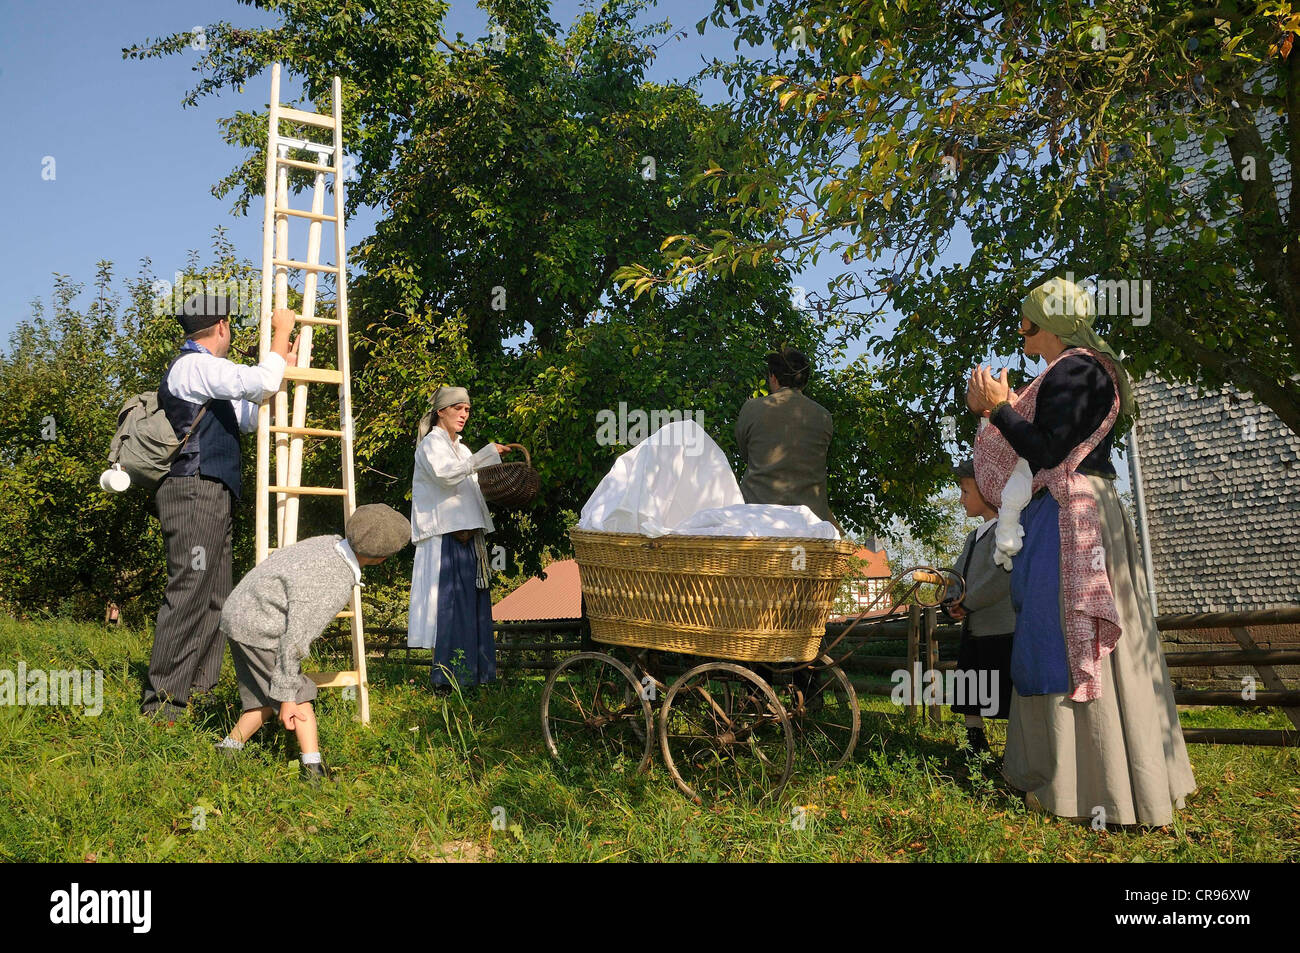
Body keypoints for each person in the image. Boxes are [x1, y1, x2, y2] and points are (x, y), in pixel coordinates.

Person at [965, 276, 1195, 827]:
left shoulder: (1078, 368)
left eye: (1026, 318)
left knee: (1066, 635)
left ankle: (1087, 786)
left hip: (1076, 514)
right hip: (1073, 509)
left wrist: (999, 409)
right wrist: (998, 411)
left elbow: (1046, 450)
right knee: (1057, 633)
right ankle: (1086, 778)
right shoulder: (1073, 370)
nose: (1019, 327)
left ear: (1048, 322)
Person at [141, 293, 298, 723]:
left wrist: (279, 361)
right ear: (223, 326)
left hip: (211, 492)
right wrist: (279, 335)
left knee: (217, 596)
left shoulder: (207, 374)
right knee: (191, 589)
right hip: (193, 490)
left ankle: (197, 690)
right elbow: (260, 383)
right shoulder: (195, 365)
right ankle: (163, 704)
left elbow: (249, 415)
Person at [215, 504, 411, 781]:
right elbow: (296, 639)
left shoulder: (326, 543)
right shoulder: (334, 581)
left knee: (264, 696)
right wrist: (288, 695)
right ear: (381, 559)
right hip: (260, 626)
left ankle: (228, 748)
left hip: (241, 612)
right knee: (299, 694)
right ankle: (313, 771)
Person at [407, 386, 510, 692]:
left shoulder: (463, 449)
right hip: (445, 541)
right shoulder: (430, 446)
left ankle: (474, 678)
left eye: (467, 410)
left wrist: (491, 464)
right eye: (458, 409)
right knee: (448, 609)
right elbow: (446, 475)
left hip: (469, 540)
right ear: (442, 411)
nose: (464, 415)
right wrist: (486, 453)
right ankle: (444, 680)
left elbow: (472, 486)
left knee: (472, 609)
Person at [944, 458, 1015, 754]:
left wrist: (968, 602)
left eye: (965, 492)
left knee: (1008, 693)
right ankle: (975, 746)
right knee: (971, 689)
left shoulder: (1008, 533)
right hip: (975, 631)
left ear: (988, 491)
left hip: (1001, 630)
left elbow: (1000, 579)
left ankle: (1017, 752)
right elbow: (956, 575)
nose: (961, 499)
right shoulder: (974, 537)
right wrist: (951, 598)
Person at [735, 346, 838, 527]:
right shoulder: (824, 416)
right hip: (811, 520)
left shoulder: (751, 409)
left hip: (757, 516)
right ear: (804, 382)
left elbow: (747, 454)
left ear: (773, 377)